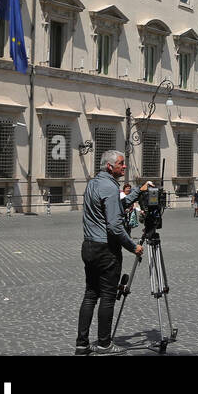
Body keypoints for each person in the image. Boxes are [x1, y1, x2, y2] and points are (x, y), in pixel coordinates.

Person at [76, 150, 145, 356]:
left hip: (88, 246)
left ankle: (82, 344)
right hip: (105, 250)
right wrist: (133, 247)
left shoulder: (94, 184)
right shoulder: (109, 186)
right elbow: (114, 225)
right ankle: (105, 344)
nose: (124, 167)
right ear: (109, 166)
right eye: (121, 164)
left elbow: (113, 207)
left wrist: (137, 193)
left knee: (90, 295)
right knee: (107, 296)